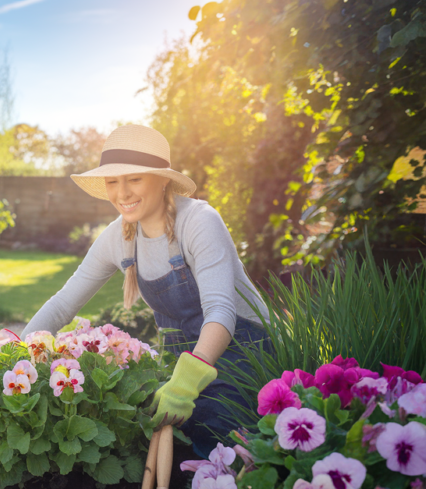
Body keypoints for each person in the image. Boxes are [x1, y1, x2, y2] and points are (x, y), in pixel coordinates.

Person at [21, 124, 270, 458]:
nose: (122, 193)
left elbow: (221, 311)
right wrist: (16, 352)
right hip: (183, 357)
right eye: (113, 181)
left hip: (244, 353)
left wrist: (185, 383)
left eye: (134, 178)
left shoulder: (198, 221)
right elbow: (64, 302)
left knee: (212, 438)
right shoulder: (119, 236)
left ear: (163, 178)